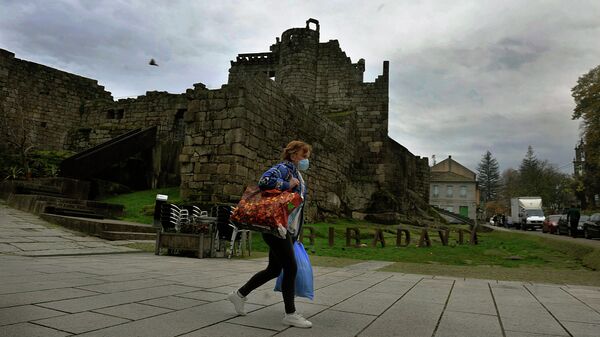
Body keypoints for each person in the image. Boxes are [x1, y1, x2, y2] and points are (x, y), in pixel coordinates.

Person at [227, 140, 312, 328]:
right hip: (275, 227)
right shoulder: (283, 168)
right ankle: (290, 314)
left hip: (284, 229)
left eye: (307, 156)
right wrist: (287, 183)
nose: (306, 159)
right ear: (293, 155)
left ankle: (239, 295)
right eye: (303, 155)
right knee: (290, 267)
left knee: (274, 269)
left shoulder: (296, 172)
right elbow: (264, 182)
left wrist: (295, 233)